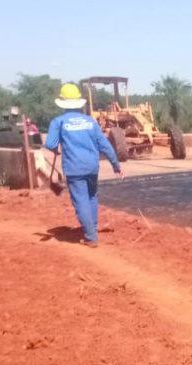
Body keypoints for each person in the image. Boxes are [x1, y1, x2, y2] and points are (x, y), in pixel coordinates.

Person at [45, 83, 123, 247]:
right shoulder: (90, 122)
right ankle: (92, 229)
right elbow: (105, 145)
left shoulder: (58, 122)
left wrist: (57, 149)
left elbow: (50, 144)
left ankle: (90, 236)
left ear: (62, 102)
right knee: (91, 197)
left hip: (74, 168)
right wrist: (116, 165)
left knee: (80, 200)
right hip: (92, 166)